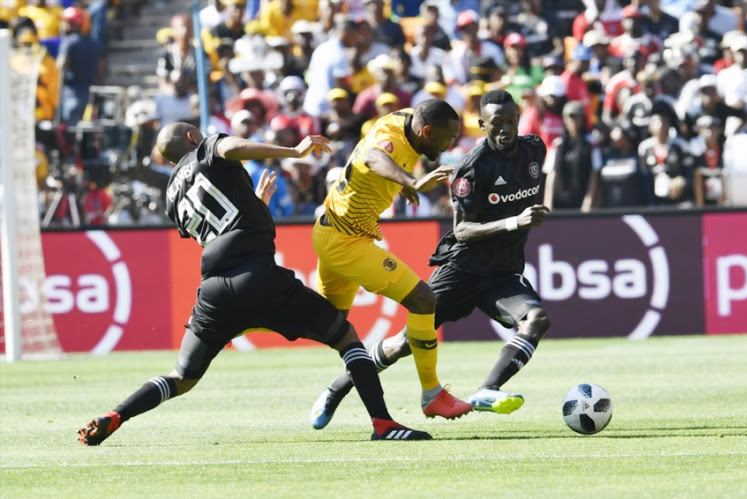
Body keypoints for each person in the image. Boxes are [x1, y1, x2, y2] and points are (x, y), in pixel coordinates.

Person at [78, 123, 433, 445]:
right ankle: (383, 423)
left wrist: (257, 205)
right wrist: (293, 152)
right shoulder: (207, 149)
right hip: (258, 277)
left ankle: (117, 414)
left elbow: (223, 226)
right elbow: (229, 149)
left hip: (214, 290)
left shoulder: (172, 196)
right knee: (347, 337)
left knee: (181, 377)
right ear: (191, 139)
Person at [309, 90, 551, 430]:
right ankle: (338, 388)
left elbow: (420, 120)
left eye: (512, 121)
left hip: (504, 271)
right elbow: (463, 230)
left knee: (537, 319)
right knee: (405, 341)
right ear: (482, 125)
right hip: (462, 269)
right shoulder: (471, 167)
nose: (506, 129)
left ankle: (487, 390)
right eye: (498, 123)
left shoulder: (535, 150)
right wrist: (515, 221)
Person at [311, 99, 473, 425]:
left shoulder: (406, 122)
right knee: (424, 300)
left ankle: (335, 389)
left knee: (331, 329)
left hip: (332, 232)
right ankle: (432, 394)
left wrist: (400, 183)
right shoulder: (393, 137)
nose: (451, 144)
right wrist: (411, 182)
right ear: (427, 131)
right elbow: (373, 156)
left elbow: (382, 159)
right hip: (347, 242)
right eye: (448, 138)